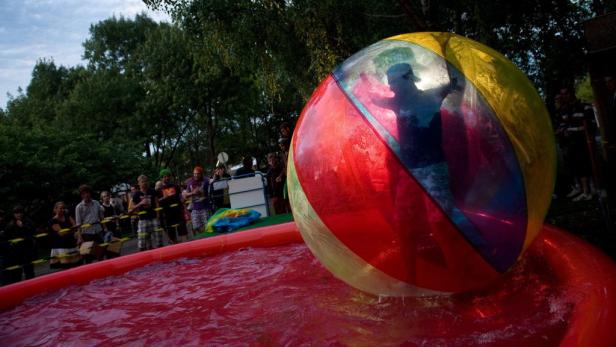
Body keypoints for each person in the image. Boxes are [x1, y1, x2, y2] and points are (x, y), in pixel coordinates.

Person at [556, 87, 595, 201]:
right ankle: (583, 190)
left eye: (566, 93)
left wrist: (572, 130)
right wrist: (563, 131)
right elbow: (564, 124)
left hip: (584, 142)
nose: (564, 97)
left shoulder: (583, 106)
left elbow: (589, 125)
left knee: (586, 167)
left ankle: (589, 191)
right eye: (562, 94)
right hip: (572, 144)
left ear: (572, 94)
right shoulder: (566, 109)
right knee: (577, 167)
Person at [1, 206, 36, 284]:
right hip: (16, 252)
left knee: (29, 271)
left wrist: (23, 226)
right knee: (16, 273)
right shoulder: (11, 223)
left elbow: (33, 231)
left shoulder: (27, 221)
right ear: (13, 214)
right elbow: (6, 235)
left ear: (23, 213)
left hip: (27, 250)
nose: (18, 214)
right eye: (16, 213)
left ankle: (31, 285)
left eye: (20, 212)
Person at [130, 175, 162, 250]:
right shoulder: (136, 194)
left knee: (159, 240)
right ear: (139, 183)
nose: (144, 183)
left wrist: (158, 216)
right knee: (142, 242)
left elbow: (157, 203)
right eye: (142, 182)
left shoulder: (152, 191)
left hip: (154, 217)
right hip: (143, 219)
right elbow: (131, 209)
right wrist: (141, 203)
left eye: (146, 181)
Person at [159, 168, 188, 243]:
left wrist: (184, 204)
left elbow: (180, 197)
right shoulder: (159, 189)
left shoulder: (175, 186)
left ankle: (185, 249)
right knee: (172, 236)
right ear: (161, 178)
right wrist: (163, 198)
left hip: (178, 212)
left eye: (168, 176)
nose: (166, 178)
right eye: (164, 176)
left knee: (183, 231)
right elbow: (157, 202)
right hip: (167, 215)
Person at [48, 201, 81, 269]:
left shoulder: (68, 216)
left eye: (63, 208)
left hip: (72, 245)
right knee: (66, 267)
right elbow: (62, 233)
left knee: (77, 266)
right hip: (61, 248)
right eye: (60, 208)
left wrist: (73, 231)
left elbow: (75, 227)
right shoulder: (53, 221)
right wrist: (72, 231)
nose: (62, 210)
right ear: (55, 209)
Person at [183, 166, 210, 234]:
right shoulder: (190, 182)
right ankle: (202, 237)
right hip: (194, 208)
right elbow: (185, 195)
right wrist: (193, 193)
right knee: (196, 227)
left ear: (201, 174)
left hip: (205, 207)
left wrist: (215, 176)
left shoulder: (205, 180)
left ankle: (206, 239)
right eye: (195, 173)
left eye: (198, 173)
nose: (196, 175)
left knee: (207, 226)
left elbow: (212, 180)